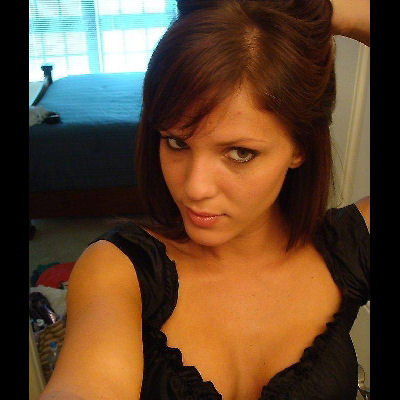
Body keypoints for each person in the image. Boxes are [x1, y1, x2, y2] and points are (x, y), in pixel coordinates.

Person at [39, 0, 370, 399]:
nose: (194, 188)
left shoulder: (346, 249)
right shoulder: (117, 270)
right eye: (176, 142)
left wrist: (326, 10)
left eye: (240, 153)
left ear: (300, 147)